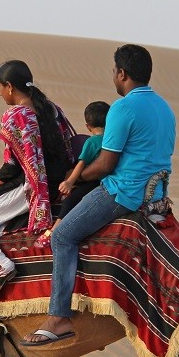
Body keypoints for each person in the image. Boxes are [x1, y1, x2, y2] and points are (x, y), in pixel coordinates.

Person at [22, 44, 175, 345]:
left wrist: (73, 179)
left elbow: (106, 164)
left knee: (62, 235)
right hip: (157, 194)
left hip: (124, 193)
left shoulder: (123, 108)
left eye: (114, 72)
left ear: (121, 73)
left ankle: (58, 317)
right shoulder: (164, 107)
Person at [0, 60, 75, 299]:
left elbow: (11, 167)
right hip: (56, 180)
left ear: (9, 86)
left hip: (32, 189)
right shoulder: (52, 109)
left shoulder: (16, 115)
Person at [35, 100, 109, 247]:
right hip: (110, 182)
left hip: (94, 182)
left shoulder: (91, 142)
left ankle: (54, 231)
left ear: (88, 126)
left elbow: (81, 164)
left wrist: (69, 182)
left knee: (70, 201)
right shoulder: (112, 140)